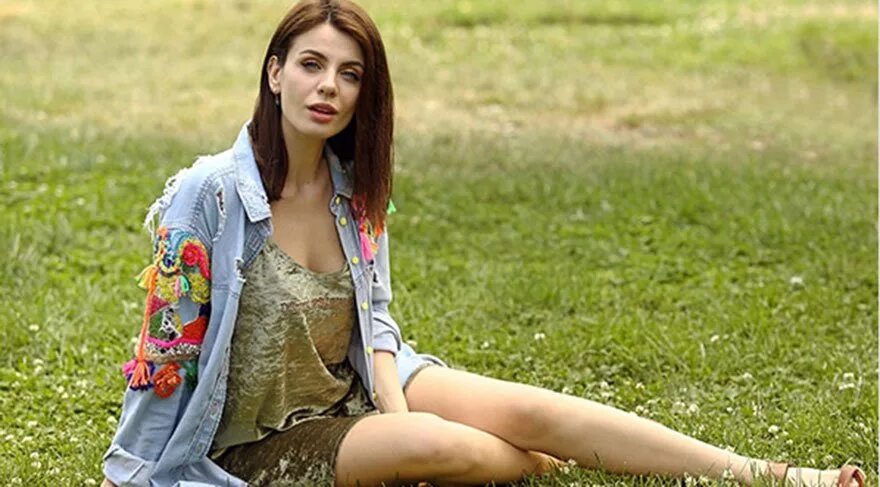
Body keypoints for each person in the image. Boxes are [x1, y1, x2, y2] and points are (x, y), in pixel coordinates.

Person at [101, 1, 867, 486]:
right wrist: (130, 471)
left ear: (366, 92)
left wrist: (393, 406)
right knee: (447, 447)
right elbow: (165, 351)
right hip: (256, 440)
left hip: (360, 383)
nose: (327, 85)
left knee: (538, 408)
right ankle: (534, 462)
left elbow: (377, 321)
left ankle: (774, 473)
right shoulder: (208, 195)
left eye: (349, 73)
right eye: (310, 64)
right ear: (274, 74)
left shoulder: (353, 191)